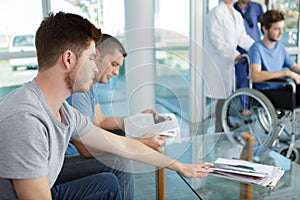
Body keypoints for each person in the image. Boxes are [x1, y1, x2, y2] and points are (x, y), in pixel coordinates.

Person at [0, 12, 213, 199]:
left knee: (108, 183)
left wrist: (180, 166)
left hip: (48, 184)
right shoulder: (26, 120)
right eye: (92, 58)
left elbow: (121, 145)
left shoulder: (63, 111)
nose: (95, 68)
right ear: (68, 59)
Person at [59, 34, 165, 200]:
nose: (116, 72)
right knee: (120, 163)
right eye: (114, 64)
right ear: (97, 55)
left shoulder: (90, 85)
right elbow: (85, 148)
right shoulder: (78, 91)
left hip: (78, 153)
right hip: (66, 160)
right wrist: (136, 143)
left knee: (123, 135)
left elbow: (99, 120)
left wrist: (136, 120)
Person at [204, 0, 254, 132]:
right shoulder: (215, 14)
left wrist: (257, 48)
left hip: (228, 62)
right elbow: (217, 41)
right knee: (222, 96)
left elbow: (243, 38)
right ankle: (219, 127)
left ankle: (225, 122)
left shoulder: (237, 15)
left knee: (228, 94)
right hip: (218, 60)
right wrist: (234, 55)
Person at [249, 9, 300, 109]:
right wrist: (286, 73)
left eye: (282, 28)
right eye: (277, 29)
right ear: (264, 29)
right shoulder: (256, 49)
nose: (281, 33)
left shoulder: (280, 47)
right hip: (266, 94)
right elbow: (255, 76)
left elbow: (293, 66)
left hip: (283, 88)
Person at [234, 0, 264, 89]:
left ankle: (255, 101)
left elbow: (265, 25)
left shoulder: (256, 7)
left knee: (256, 76)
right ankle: (244, 103)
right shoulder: (233, 8)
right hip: (239, 49)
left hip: (254, 47)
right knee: (242, 78)